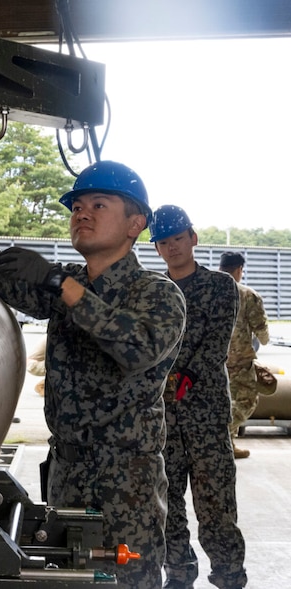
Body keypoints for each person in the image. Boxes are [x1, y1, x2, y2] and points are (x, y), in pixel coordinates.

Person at [0, 160, 186, 588]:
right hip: (66, 474)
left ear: (136, 224)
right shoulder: (69, 283)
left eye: (98, 204)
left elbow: (137, 347)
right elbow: (5, 282)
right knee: (66, 578)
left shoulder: (156, 293)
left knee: (126, 581)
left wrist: (62, 285)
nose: (82, 213)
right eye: (76, 206)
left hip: (126, 487)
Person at [149, 206, 247, 589]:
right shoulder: (154, 290)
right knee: (168, 506)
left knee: (217, 507)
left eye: (178, 238)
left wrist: (181, 377)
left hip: (205, 415)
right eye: (163, 241)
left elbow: (215, 344)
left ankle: (229, 576)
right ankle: (178, 574)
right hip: (163, 419)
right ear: (157, 248)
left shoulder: (221, 285)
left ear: (193, 238)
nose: (172, 247)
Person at [218, 251, 271, 458]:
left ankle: (228, 444)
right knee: (247, 401)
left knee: (223, 400)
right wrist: (264, 339)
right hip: (240, 361)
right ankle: (221, 434)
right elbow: (261, 329)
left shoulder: (208, 290)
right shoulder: (248, 295)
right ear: (239, 269)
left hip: (210, 360)